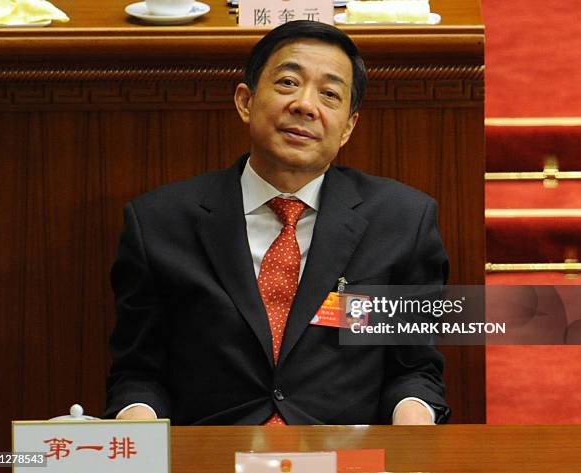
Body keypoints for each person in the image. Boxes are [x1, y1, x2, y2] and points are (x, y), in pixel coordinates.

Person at [105, 20, 451, 425]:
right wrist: (138, 431)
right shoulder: (160, 222)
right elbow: (139, 374)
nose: (305, 105)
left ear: (348, 127)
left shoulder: (402, 222)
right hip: (214, 459)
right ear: (245, 101)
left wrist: (413, 424)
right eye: (288, 82)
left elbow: (414, 370)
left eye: (329, 94)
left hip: (346, 461)